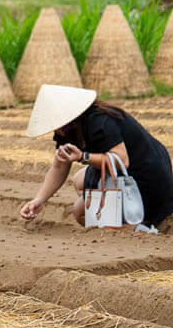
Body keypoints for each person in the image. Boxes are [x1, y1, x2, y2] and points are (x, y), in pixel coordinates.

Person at [21, 84, 173, 232]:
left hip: (147, 176)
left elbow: (121, 160)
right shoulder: (67, 129)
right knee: (78, 180)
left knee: (80, 212)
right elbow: (59, 166)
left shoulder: (99, 121)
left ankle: (136, 227)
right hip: (124, 171)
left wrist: (83, 157)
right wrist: (39, 200)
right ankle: (115, 212)